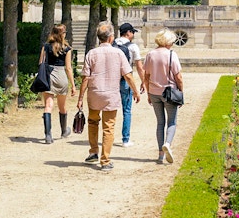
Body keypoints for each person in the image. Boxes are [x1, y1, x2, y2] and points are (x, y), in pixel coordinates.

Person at [78, 21, 140, 171]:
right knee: (108, 127)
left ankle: (93, 152)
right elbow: (128, 75)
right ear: (111, 38)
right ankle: (105, 160)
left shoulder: (91, 53)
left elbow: (85, 77)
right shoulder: (118, 53)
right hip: (111, 94)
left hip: (95, 93)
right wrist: (135, 91)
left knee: (93, 122)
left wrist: (80, 98)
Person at [143, 28, 184, 164]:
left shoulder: (150, 54)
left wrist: (148, 93)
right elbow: (178, 77)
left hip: (154, 92)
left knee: (160, 123)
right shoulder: (171, 54)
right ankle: (167, 143)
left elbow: (146, 76)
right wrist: (181, 92)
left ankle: (160, 154)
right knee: (171, 121)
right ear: (168, 42)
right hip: (169, 93)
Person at [39, 24, 76, 144]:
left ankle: (48, 135)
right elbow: (68, 68)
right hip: (61, 76)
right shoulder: (67, 48)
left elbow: (41, 63)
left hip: (49, 76)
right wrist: (73, 85)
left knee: (48, 106)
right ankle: (64, 130)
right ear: (63, 34)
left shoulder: (45, 47)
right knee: (62, 106)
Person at [114, 22, 145, 147]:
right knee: (127, 110)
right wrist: (143, 82)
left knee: (110, 109)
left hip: (112, 79)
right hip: (126, 79)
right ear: (128, 33)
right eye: (132, 32)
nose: (133, 34)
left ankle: (107, 135)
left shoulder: (112, 43)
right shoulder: (133, 47)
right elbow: (139, 67)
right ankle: (125, 139)